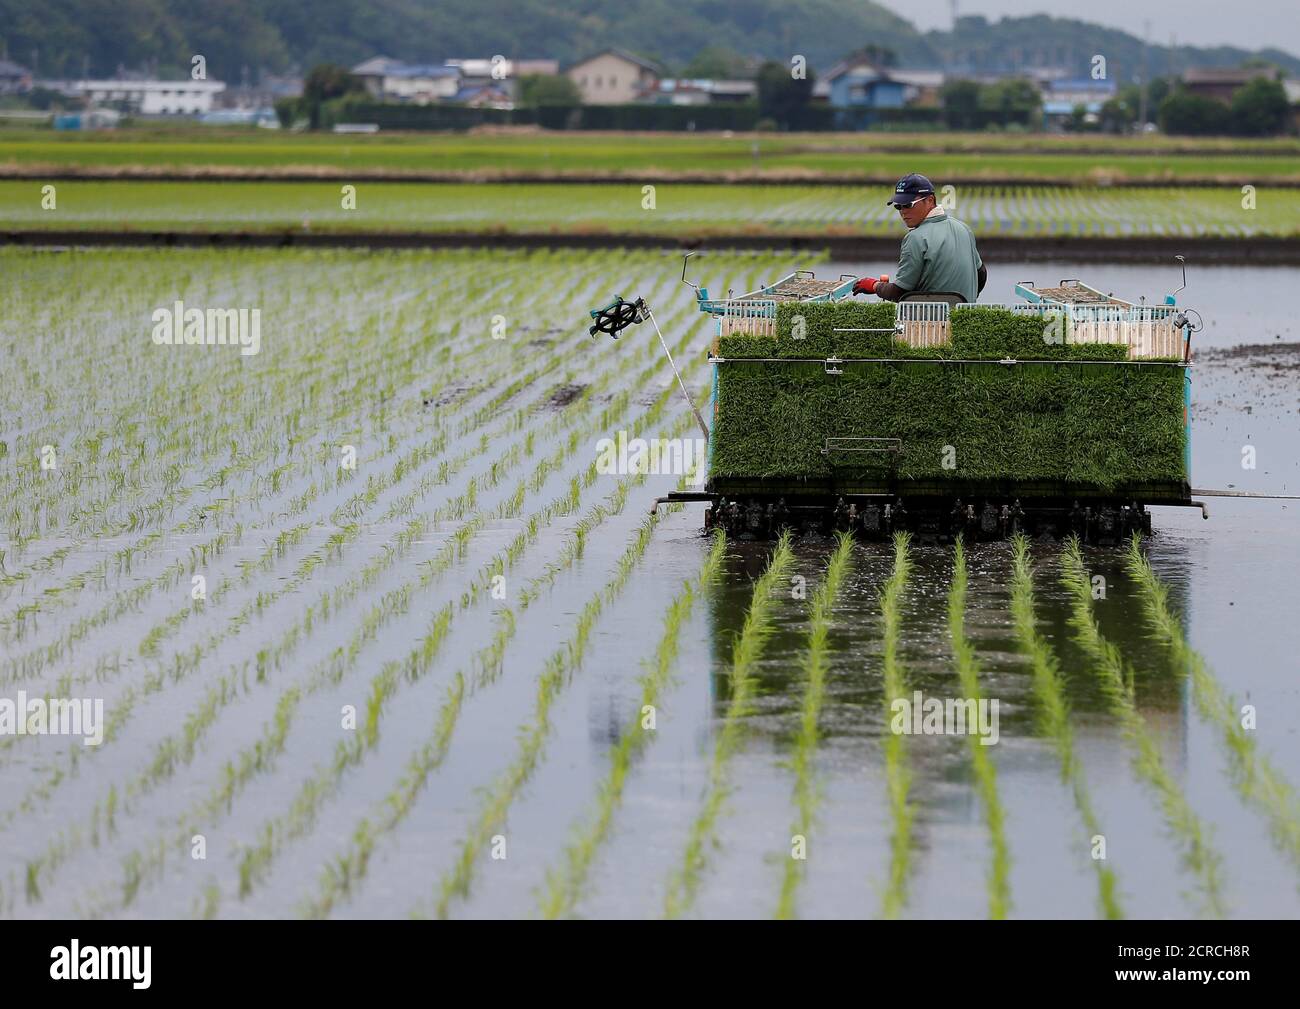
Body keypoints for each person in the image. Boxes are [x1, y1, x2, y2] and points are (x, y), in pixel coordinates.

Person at [854, 173, 987, 304]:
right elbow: (981, 275)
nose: (903, 211)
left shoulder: (915, 238)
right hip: (964, 318)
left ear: (930, 200)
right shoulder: (964, 228)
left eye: (908, 205)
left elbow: (899, 292)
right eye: (898, 206)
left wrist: (874, 286)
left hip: (928, 322)